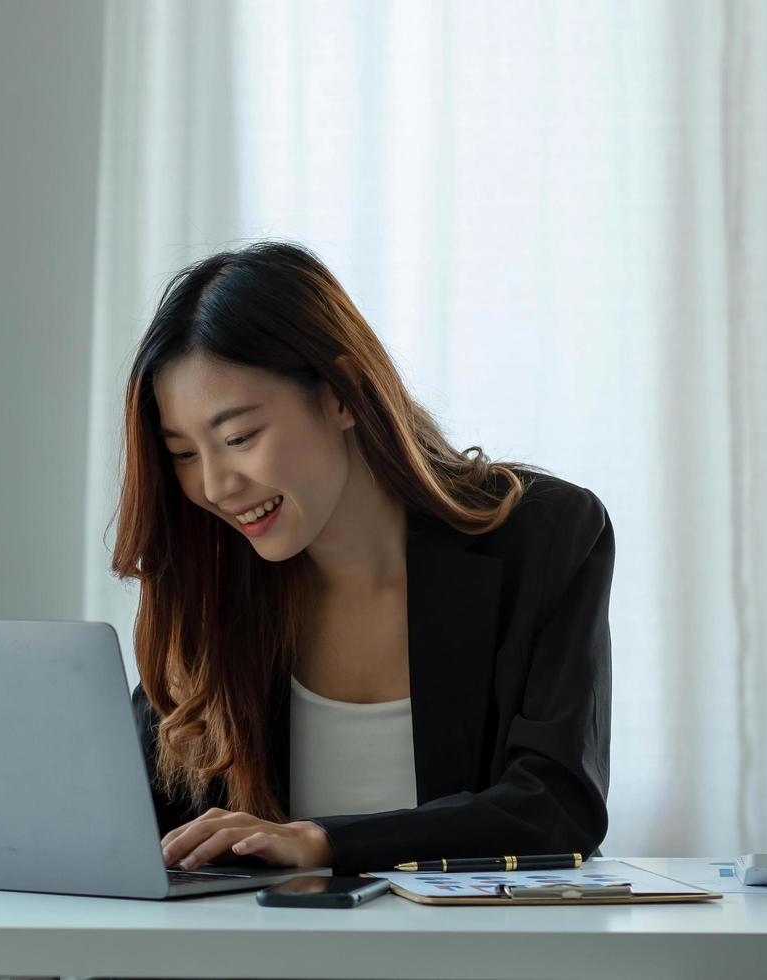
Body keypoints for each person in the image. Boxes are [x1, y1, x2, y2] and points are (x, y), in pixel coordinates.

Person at [109, 241, 614, 877]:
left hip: (481, 964)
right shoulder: (214, 579)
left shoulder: (544, 535)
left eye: (239, 438)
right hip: (252, 966)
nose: (215, 486)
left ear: (342, 394)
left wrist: (327, 843)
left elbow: (559, 806)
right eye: (183, 453)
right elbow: (132, 824)